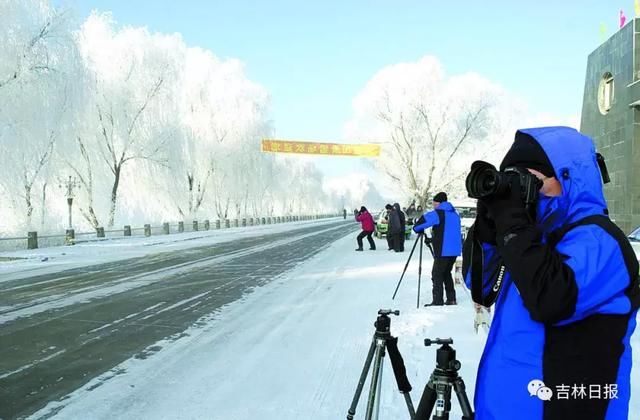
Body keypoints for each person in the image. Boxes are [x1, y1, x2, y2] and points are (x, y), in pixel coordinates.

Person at [462, 127, 640, 419]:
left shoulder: (600, 240)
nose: (521, 193)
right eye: (513, 179)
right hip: (504, 406)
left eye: (530, 181)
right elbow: (480, 286)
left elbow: (551, 300)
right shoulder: (531, 239)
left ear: (568, 178)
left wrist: (513, 224)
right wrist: (489, 226)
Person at [413, 192, 461, 306]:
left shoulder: (439, 213)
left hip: (444, 250)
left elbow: (422, 222)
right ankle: (451, 298)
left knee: (437, 274)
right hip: (454, 250)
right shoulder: (455, 214)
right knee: (446, 273)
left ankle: (437, 300)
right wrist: (432, 240)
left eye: (434, 203)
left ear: (439, 203)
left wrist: (417, 227)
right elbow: (447, 232)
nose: (434, 206)